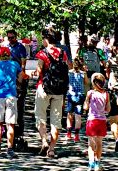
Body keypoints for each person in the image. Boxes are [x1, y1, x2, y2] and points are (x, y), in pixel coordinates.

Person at [35, 28, 69, 159]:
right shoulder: (62, 53)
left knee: (40, 116)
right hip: (59, 90)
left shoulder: (42, 53)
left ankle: (44, 141)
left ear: (46, 39)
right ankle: (52, 149)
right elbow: (67, 67)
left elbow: (39, 71)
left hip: (43, 87)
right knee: (56, 120)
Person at [0, 46, 21, 155]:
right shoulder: (15, 65)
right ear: (9, 55)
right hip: (11, 95)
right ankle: (10, 149)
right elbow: (20, 78)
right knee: (10, 124)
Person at [84, 73, 110, 171]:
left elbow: (86, 107)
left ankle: (91, 163)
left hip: (92, 120)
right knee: (99, 143)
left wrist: (87, 102)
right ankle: (97, 163)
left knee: (91, 144)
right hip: (102, 120)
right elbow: (108, 109)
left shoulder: (90, 93)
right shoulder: (106, 94)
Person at [65, 57, 86, 143]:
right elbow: (86, 82)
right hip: (80, 96)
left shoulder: (69, 73)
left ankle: (68, 133)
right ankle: (76, 136)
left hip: (71, 95)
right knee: (78, 116)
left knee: (69, 114)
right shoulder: (83, 74)